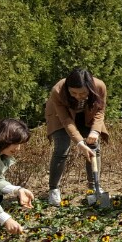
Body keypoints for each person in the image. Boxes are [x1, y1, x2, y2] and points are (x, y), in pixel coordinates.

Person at [44, 68, 108, 206]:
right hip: (60, 117)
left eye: (83, 93)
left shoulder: (99, 86)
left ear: (90, 87)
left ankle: (94, 188)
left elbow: (100, 111)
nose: (78, 96)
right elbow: (66, 121)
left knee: (93, 147)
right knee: (62, 149)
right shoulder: (57, 91)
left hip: (87, 114)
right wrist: (79, 142)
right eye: (73, 93)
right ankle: (53, 189)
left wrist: (95, 132)